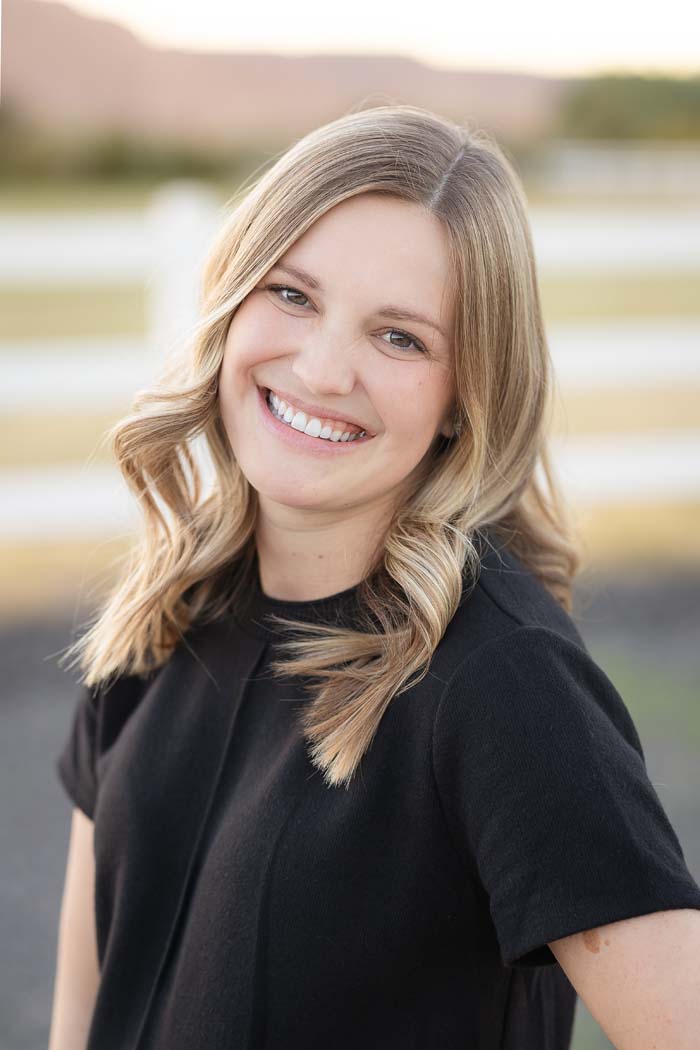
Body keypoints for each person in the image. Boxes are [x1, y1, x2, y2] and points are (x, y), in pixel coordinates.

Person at [49, 104, 700, 1050]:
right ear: (232, 302)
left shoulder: (502, 682)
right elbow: (82, 1020)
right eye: (293, 295)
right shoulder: (159, 619)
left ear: (462, 399)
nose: (321, 368)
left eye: (400, 337)